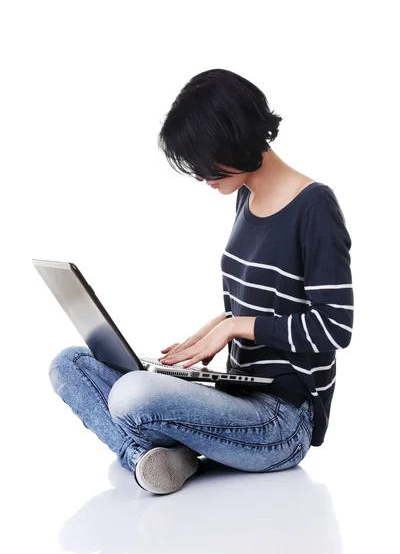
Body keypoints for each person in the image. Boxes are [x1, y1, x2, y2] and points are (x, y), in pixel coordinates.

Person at [49, 68, 354, 495]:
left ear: (235, 139)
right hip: (238, 395)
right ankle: (155, 461)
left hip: (283, 421)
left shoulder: (315, 207)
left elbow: (333, 327)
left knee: (133, 396)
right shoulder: (246, 196)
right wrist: (208, 334)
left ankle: (159, 452)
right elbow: (262, 304)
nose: (200, 176)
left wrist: (231, 327)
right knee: (70, 364)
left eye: (205, 161)